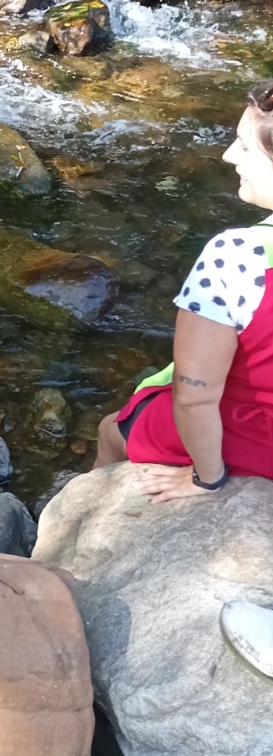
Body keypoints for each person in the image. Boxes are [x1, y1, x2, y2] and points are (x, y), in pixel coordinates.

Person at [95, 79, 273, 503]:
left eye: (245, 147)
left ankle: (84, 512)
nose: (229, 156)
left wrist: (206, 480)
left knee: (110, 430)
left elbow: (194, 399)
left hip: (254, 435)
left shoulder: (237, 255)